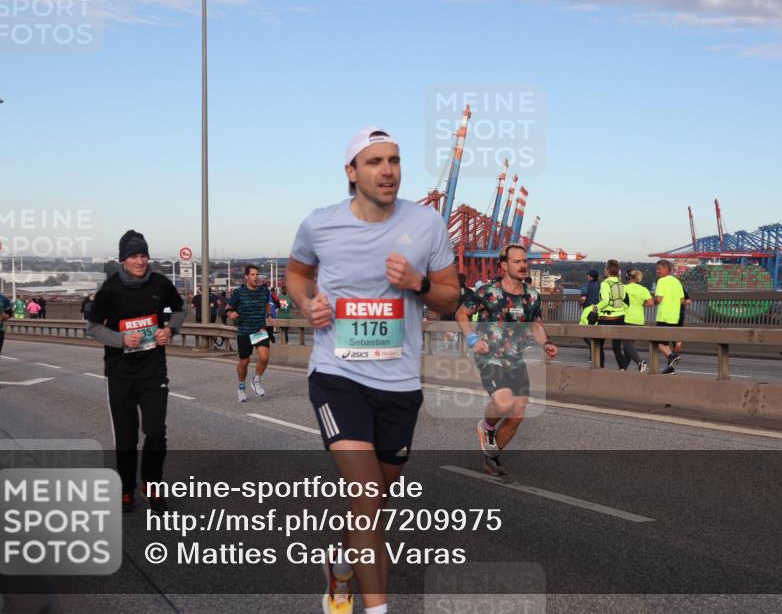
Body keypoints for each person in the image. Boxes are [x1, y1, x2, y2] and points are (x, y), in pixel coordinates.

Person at [286, 127, 458, 614]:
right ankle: (378, 609)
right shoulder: (320, 225)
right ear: (351, 172)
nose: (388, 170)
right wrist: (306, 303)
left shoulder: (427, 224)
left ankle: (340, 561)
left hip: (401, 383)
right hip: (337, 375)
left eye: (395, 160)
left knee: (376, 502)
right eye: (375, 161)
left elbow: (451, 298)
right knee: (365, 494)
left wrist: (418, 282)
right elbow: (297, 273)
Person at [87, 230, 186, 513]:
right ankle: (126, 489)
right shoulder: (110, 289)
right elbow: (93, 327)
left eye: (143, 255)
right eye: (134, 256)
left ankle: (152, 484)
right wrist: (120, 339)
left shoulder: (160, 283)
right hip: (120, 373)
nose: (140, 261)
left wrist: (171, 330)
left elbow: (179, 310)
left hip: (153, 371)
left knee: (155, 432)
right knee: (126, 436)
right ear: (123, 260)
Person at [457, 244, 557, 477]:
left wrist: (546, 344)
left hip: (516, 359)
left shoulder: (532, 295)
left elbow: (536, 324)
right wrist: (472, 339)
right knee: (503, 404)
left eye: (525, 261)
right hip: (490, 357)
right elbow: (461, 313)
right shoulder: (488, 292)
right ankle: (487, 427)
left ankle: (491, 458)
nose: (523, 265)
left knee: (517, 414)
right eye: (517, 261)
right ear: (503, 266)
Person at [225, 264, 273, 401]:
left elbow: (267, 303)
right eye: (252, 274)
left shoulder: (264, 290)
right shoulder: (239, 292)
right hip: (244, 331)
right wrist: (230, 313)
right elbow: (229, 306)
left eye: (257, 274)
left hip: (259, 330)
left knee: (264, 357)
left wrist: (269, 315)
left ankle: (256, 380)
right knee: (244, 362)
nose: (255, 277)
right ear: (246, 277)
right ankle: (241, 388)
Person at [592, 260, 637, 369]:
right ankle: (622, 368)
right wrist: (620, 310)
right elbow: (626, 302)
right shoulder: (621, 284)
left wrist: (596, 308)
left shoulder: (605, 283)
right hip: (620, 317)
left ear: (608, 270)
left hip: (607, 317)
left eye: (605, 268)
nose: (604, 270)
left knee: (597, 344)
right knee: (616, 347)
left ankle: (600, 367)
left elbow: (605, 301)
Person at [654, 259, 686, 374]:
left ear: (667, 269)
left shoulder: (662, 281)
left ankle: (671, 357)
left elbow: (658, 299)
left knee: (657, 341)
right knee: (667, 343)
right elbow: (682, 300)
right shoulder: (677, 282)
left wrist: (653, 302)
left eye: (659, 269)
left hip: (664, 317)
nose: (657, 271)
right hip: (676, 317)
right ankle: (670, 368)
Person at [622, 269, 653, 373]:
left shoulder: (623, 288)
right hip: (639, 320)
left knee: (626, 343)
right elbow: (650, 303)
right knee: (629, 345)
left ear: (628, 277)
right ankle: (623, 369)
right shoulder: (643, 289)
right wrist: (640, 304)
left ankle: (640, 363)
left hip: (626, 318)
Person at [578, 269, 600, 361]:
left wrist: (580, 303)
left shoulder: (586, 285)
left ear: (590, 276)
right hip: (597, 309)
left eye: (588, 275)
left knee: (584, 331)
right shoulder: (600, 285)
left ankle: (592, 353)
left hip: (588, 310)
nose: (587, 276)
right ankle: (596, 354)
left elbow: (583, 298)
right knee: (594, 332)